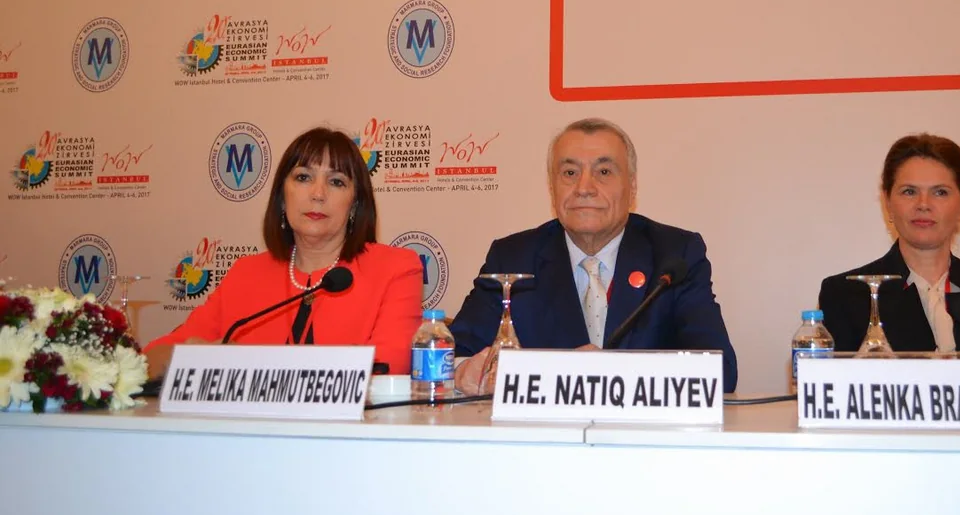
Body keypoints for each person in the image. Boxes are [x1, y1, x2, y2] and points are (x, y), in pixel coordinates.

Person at [450, 118, 738, 393]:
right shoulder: (512, 257)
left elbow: (720, 371)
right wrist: (467, 372)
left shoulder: (675, 255)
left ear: (632, 186)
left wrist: (612, 374)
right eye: (570, 173)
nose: (584, 188)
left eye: (604, 172)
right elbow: (453, 355)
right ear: (552, 187)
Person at [144, 127, 424, 378]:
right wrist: (192, 358)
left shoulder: (395, 268)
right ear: (281, 197)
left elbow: (389, 364)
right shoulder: (246, 274)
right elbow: (151, 359)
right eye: (303, 177)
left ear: (354, 204)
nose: (318, 193)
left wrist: (246, 366)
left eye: (336, 182)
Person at [817, 133, 960, 353]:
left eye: (940, 192)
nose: (923, 204)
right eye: (909, 192)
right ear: (888, 202)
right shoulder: (847, 295)